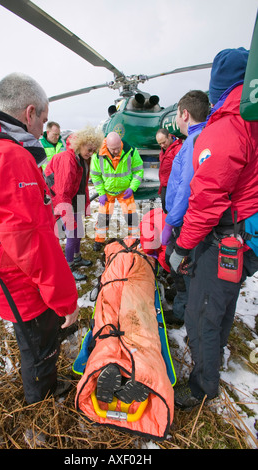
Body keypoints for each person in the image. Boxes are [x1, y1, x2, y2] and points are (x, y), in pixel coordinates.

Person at [0, 72, 79, 405]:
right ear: (29, 113)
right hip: (21, 281)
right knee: (39, 346)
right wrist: (65, 299)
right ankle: (40, 402)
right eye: (43, 117)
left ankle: (40, 387)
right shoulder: (10, 157)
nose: (43, 126)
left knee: (31, 340)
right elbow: (30, 242)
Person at [169, 47, 258, 409]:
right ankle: (214, 354)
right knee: (223, 299)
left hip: (225, 237)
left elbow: (206, 199)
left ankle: (203, 385)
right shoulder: (250, 118)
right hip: (246, 236)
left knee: (202, 310)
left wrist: (182, 247)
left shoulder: (228, 126)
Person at [161, 91, 210, 325]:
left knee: (181, 263)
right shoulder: (202, 137)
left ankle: (181, 311)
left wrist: (171, 221)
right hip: (190, 218)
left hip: (185, 220)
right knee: (180, 263)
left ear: (185, 114)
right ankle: (180, 296)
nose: (176, 121)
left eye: (177, 115)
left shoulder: (193, 142)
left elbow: (186, 187)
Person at [44, 125, 104, 281]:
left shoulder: (84, 158)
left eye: (93, 150)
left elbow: (82, 183)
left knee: (78, 232)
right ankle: (68, 267)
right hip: (63, 201)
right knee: (71, 233)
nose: (91, 153)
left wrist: (83, 204)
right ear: (80, 144)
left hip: (76, 198)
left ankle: (77, 257)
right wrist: (68, 216)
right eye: (89, 149)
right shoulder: (68, 160)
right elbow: (62, 192)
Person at [90, 131, 144, 251]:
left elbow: (138, 171)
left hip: (125, 191)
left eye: (118, 148)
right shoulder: (98, 155)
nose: (116, 151)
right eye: (113, 149)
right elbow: (95, 176)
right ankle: (99, 240)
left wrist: (132, 187)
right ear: (107, 146)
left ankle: (134, 238)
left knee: (131, 216)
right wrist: (101, 193)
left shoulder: (131, 151)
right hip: (107, 192)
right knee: (103, 217)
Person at [155, 128, 183, 213]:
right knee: (166, 210)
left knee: (174, 213)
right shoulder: (163, 151)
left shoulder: (178, 149)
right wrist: (161, 189)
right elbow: (162, 172)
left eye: (164, 142)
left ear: (169, 136)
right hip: (165, 186)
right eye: (160, 144)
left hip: (174, 187)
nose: (162, 145)